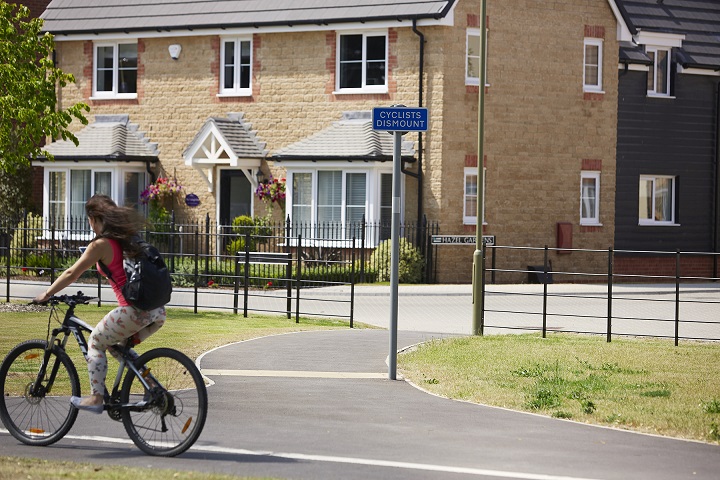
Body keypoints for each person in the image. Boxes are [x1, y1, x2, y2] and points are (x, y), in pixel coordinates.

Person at [33, 194, 167, 414]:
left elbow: (71, 272)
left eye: (90, 219)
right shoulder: (127, 238)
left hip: (135, 311)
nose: (90, 224)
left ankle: (96, 398)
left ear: (95, 219)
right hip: (157, 312)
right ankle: (153, 389)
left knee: (95, 340)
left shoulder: (101, 244)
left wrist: (46, 293)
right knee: (119, 348)